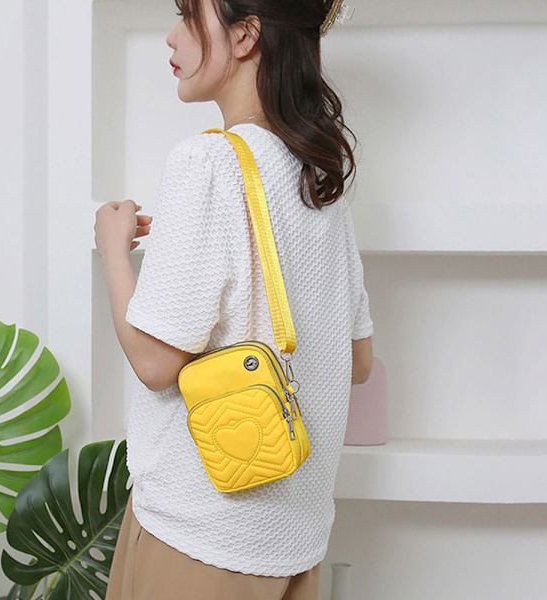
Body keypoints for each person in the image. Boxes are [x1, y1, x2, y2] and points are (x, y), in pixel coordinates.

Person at [95, 0, 373, 598]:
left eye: (187, 14)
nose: (172, 37)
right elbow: (359, 360)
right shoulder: (319, 181)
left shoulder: (209, 162)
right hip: (296, 544)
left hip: (199, 537)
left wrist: (114, 251)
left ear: (246, 36)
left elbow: (155, 363)